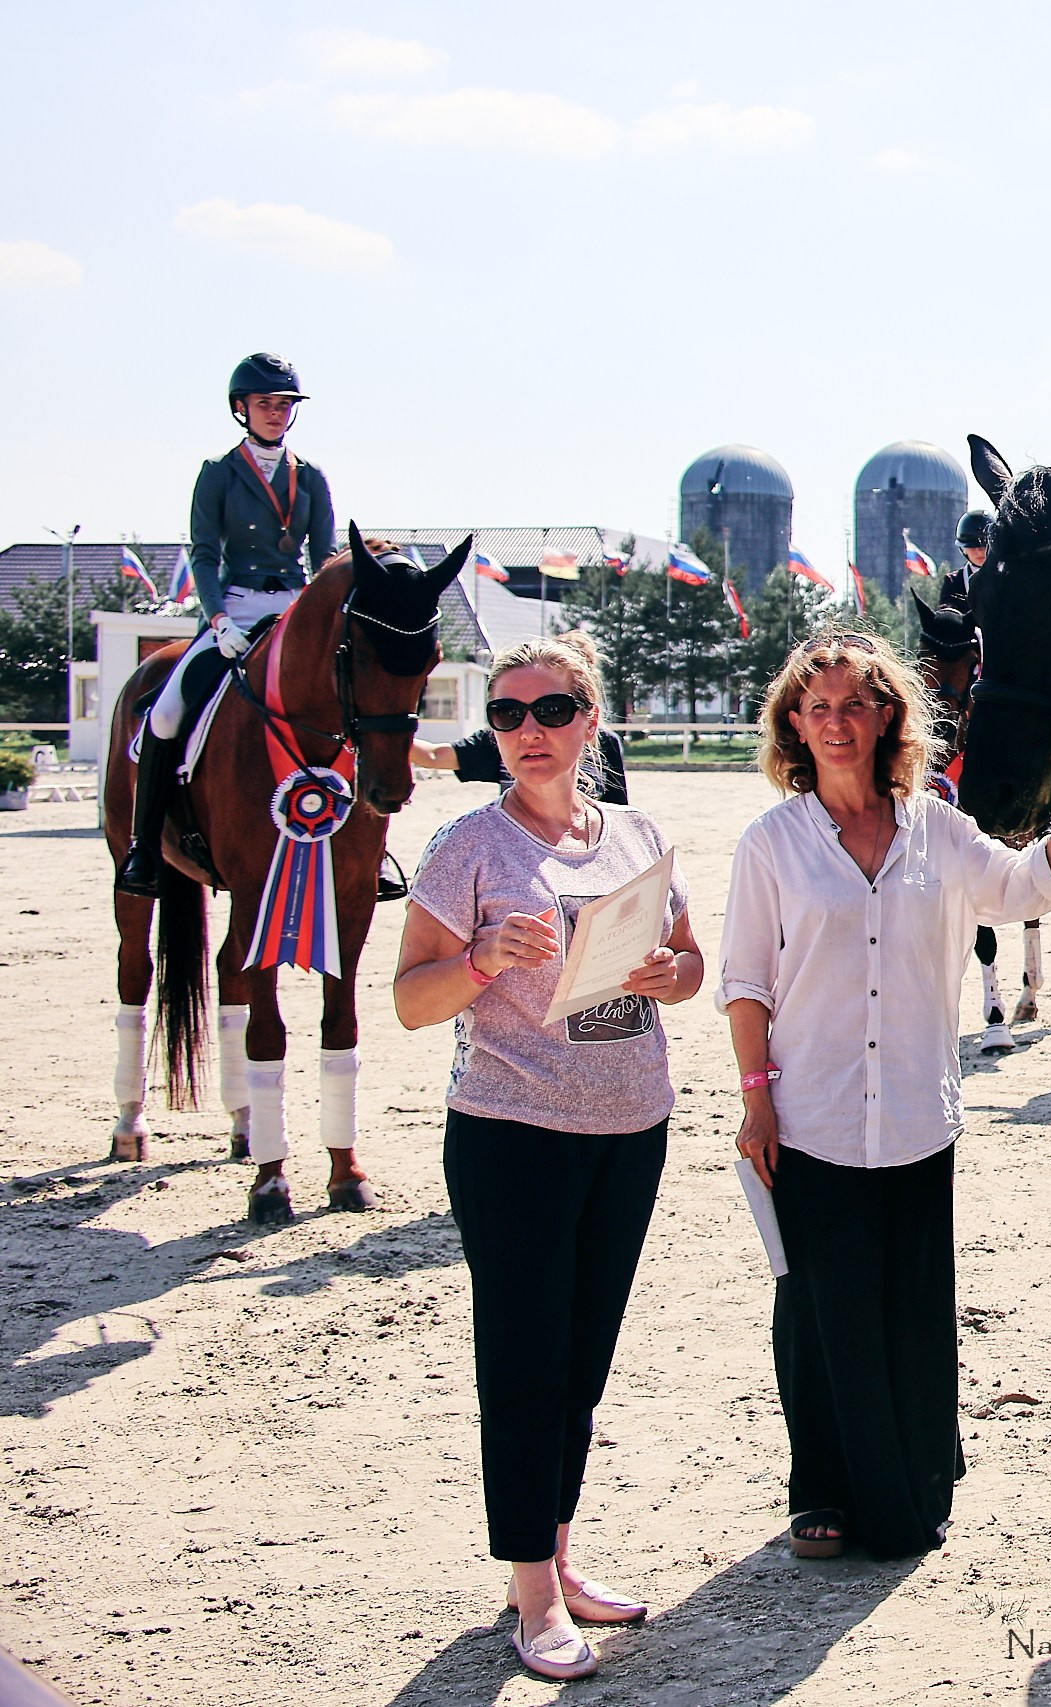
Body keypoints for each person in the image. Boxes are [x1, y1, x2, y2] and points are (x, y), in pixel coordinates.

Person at [720, 635, 1051, 1561]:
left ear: (889, 714)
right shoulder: (770, 844)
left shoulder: (938, 826)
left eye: (855, 704)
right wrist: (756, 1099)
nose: (836, 722)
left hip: (919, 1112)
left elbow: (1015, 889)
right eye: (817, 707)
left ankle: (916, 1485)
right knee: (817, 1309)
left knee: (914, 1304)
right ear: (793, 725)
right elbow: (745, 983)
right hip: (809, 1114)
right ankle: (823, 1492)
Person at [391, 634, 704, 1682]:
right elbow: (406, 1001)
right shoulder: (465, 849)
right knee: (524, 1362)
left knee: (582, 1361)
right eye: (509, 714)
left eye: (553, 709)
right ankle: (531, 1592)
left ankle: (561, 1556)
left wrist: (669, 972)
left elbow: (692, 962)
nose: (530, 731)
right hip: (511, 1133)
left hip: (631, 1129)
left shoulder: (637, 831)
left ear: (591, 719)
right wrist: (479, 958)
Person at [118, 353, 336, 897]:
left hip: (295, 609)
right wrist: (215, 617)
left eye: (284, 405)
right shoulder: (218, 473)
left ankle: (369, 852)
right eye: (264, 404)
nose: (275, 414)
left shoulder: (310, 476)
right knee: (166, 714)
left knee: (350, 708)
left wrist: (317, 616)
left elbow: (326, 555)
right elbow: (203, 551)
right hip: (233, 607)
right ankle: (146, 847)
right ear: (242, 408)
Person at [415, 720, 629, 805]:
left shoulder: (605, 742)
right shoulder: (505, 735)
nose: (531, 735)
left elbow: (618, 811)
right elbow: (435, 756)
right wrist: (387, 732)